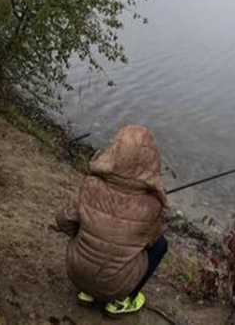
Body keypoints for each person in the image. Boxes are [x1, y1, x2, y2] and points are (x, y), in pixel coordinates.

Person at [55, 125, 169, 318]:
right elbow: (151, 241)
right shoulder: (151, 205)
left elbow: (63, 220)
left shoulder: (91, 184)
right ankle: (123, 300)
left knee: (85, 224)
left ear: (114, 152)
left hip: (76, 273)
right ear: (151, 161)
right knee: (160, 245)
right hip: (116, 286)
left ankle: (88, 293)